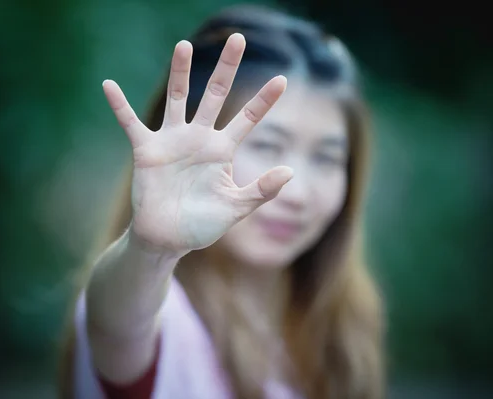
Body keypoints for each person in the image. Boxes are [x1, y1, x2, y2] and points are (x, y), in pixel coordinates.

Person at [58, 4, 384, 399]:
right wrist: (149, 250)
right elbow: (115, 323)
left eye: (327, 157)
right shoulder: (164, 321)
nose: (295, 192)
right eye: (266, 144)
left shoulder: (339, 334)